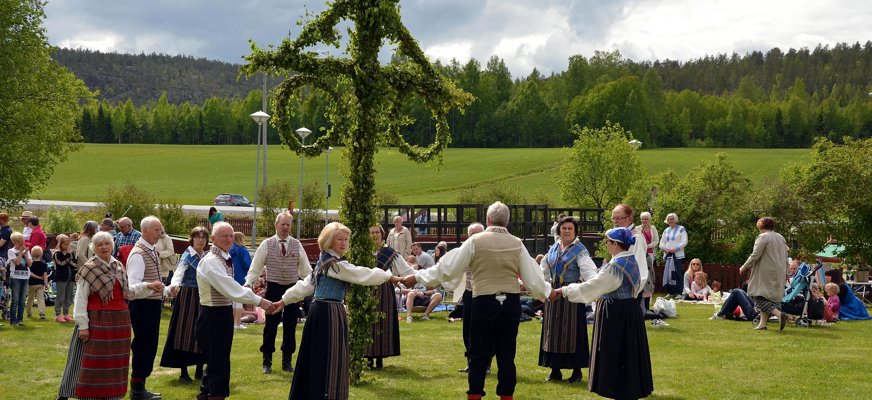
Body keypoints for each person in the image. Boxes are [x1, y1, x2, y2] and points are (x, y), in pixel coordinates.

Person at [404, 201, 552, 400]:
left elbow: (447, 269)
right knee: (507, 355)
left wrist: (418, 276)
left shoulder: (475, 241)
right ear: (507, 221)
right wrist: (548, 291)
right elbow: (533, 278)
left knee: (478, 353)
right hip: (510, 303)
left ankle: (475, 395)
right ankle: (506, 396)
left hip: (483, 301)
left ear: (488, 220)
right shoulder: (517, 243)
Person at [277, 222, 403, 400]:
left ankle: (316, 393)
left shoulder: (326, 261)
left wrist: (284, 300)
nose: (344, 243)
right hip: (328, 313)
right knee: (329, 356)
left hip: (324, 312)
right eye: (339, 239)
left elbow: (306, 285)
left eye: (346, 239)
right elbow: (360, 274)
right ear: (329, 241)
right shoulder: (333, 264)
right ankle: (326, 394)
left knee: (321, 356)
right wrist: (388, 276)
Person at [549, 227, 653, 400]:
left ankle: (618, 391)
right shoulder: (631, 260)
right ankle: (627, 390)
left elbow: (593, 287)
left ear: (616, 244)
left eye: (608, 241)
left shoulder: (616, 266)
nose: (606, 244)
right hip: (629, 311)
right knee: (627, 355)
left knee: (616, 354)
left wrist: (563, 290)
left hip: (616, 314)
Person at [195, 222, 273, 400]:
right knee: (218, 362)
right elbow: (230, 288)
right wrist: (261, 301)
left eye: (231, 235)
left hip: (221, 314)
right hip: (212, 315)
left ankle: (206, 393)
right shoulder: (211, 261)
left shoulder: (223, 258)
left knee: (217, 359)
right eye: (224, 236)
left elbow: (232, 287)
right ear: (213, 239)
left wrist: (247, 289)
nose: (229, 239)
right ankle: (215, 395)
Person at [57, 231, 139, 400]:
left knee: (114, 361)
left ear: (112, 245)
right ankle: (75, 393)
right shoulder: (89, 268)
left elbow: (126, 291)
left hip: (119, 322)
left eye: (107, 243)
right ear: (93, 248)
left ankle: (111, 395)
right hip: (97, 320)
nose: (104, 247)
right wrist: (83, 326)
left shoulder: (118, 265)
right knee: (88, 360)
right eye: (99, 244)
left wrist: (149, 287)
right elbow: (80, 299)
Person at [244, 212, 312, 374]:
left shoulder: (296, 244)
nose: (286, 228)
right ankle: (266, 362)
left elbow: (305, 270)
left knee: (290, 325)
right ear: (276, 225)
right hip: (273, 288)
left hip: (292, 289)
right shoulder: (266, 244)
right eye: (283, 224)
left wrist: (312, 283)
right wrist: (248, 282)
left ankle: (287, 362)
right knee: (270, 325)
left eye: (288, 225)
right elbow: (256, 267)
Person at [539, 216, 597, 384]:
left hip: (572, 295)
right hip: (553, 295)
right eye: (563, 228)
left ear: (575, 232)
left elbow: (589, 272)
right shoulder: (554, 248)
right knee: (553, 331)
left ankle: (576, 371)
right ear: (559, 230)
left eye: (570, 228)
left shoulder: (580, 250)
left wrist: (593, 287)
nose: (566, 231)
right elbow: (543, 270)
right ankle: (555, 370)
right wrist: (540, 287)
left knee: (573, 332)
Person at [161, 227, 209, 384]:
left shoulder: (206, 256)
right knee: (184, 333)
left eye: (203, 237)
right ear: (192, 239)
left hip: (203, 296)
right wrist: (174, 285)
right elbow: (179, 273)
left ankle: (199, 370)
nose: (200, 240)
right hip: (188, 296)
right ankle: (183, 373)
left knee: (202, 332)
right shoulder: (187, 256)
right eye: (197, 237)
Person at [126, 216, 167, 399]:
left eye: (160, 229)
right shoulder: (138, 254)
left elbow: (152, 281)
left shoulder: (150, 250)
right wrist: (150, 286)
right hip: (142, 305)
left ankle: (140, 386)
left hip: (151, 304)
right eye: (156, 230)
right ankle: (137, 389)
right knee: (143, 346)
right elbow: (132, 287)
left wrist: (166, 290)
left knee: (149, 345)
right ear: (144, 230)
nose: (160, 233)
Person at [365, 225, 414, 369]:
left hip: (384, 291)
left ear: (382, 235)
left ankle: (380, 357)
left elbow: (406, 270)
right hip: (366, 290)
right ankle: (368, 357)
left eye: (377, 232)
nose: (374, 235)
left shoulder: (389, 252)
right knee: (368, 323)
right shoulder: (362, 252)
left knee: (383, 323)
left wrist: (420, 277)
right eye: (371, 232)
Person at [739, 217, 789, 331]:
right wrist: (786, 271)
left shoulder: (763, 237)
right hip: (779, 271)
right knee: (769, 297)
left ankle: (779, 314)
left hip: (765, 271)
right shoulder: (781, 237)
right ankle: (762, 324)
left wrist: (744, 267)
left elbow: (755, 255)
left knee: (757, 295)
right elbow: (786, 257)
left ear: (761, 225)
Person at [6, 232, 32, 326]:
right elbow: (17, 262)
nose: (22, 243)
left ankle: (20, 319)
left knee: (22, 300)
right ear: (14, 242)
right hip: (15, 278)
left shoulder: (27, 251)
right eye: (20, 241)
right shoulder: (11, 251)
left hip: (25, 277)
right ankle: (13, 320)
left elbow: (30, 264)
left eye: (23, 241)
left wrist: (25, 254)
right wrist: (21, 252)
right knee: (15, 300)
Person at [634, 212, 659, 311]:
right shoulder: (637, 229)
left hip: (650, 253)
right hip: (640, 253)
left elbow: (656, 241)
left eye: (646, 219)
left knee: (649, 274)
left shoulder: (653, 228)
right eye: (642, 219)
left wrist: (648, 246)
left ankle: (648, 297)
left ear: (649, 219)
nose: (644, 221)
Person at [659, 213, 687, 297]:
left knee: (677, 273)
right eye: (668, 219)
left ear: (675, 219)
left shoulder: (681, 229)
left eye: (672, 218)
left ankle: (679, 292)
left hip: (678, 256)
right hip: (668, 255)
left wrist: (676, 248)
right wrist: (664, 249)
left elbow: (684, 241)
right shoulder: (666, 230)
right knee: (668, 274)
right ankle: (670, 292)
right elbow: (661, 243)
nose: (670, 220)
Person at [230, 231, 252, 328]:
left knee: (231, 302)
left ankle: (232, 323)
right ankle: (237, 323)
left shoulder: (229, 250)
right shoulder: (242, 250)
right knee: (238, 301)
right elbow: (248, 264)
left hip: (230, 277)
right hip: (241, 278)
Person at [53, 234, 76, 322]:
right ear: (60, 244)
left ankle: (66, 314)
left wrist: (70, 259)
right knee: (61, 297)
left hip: (70, 277)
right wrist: (68, 258)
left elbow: (74, 264)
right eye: (65, 244)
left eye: (68, 244)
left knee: (69, 296)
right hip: (61, 277)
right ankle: (58, 315)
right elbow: (60, 263)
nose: (67, 246)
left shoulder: (70, 253)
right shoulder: (57, 254)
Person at [26, 246, 49, 319]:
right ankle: (42, 313)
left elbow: (30, 273)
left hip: (32, 283)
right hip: (41, 284)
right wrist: (46, 283)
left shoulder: (30, 264)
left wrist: (37, 277)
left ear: (31, 254)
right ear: (41, 254)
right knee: (41, 298)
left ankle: (29, 312)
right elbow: (45, 275)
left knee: (30, 298)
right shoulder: (44, 264)